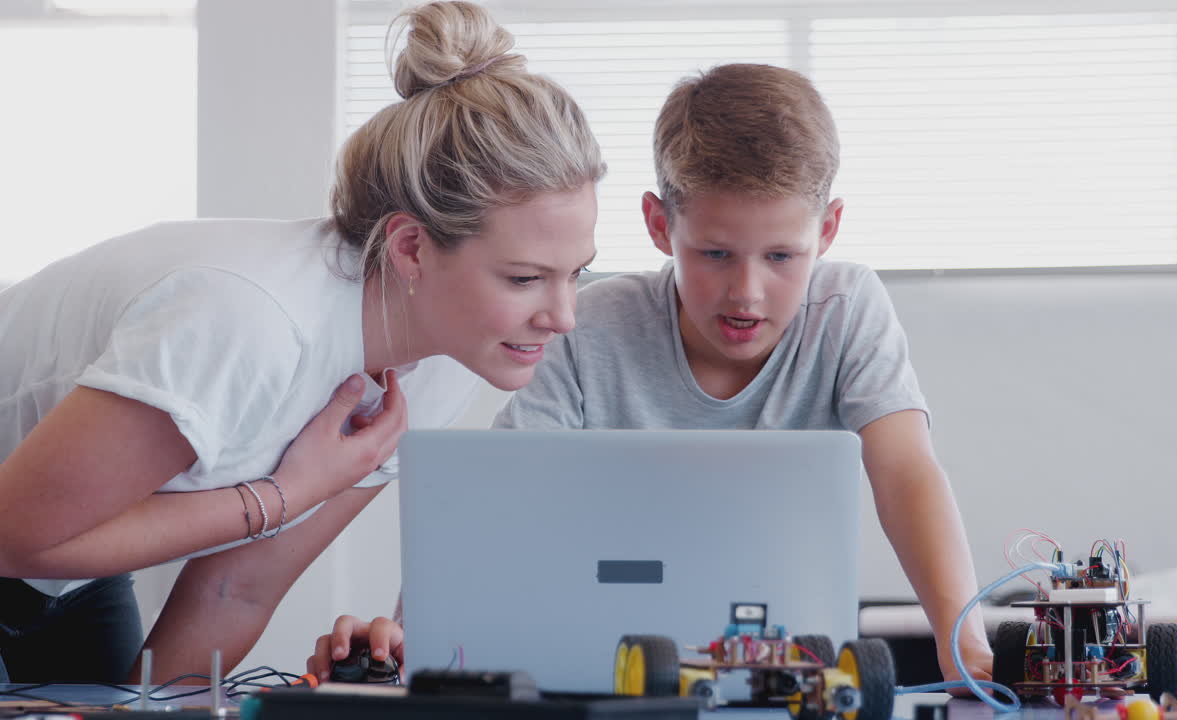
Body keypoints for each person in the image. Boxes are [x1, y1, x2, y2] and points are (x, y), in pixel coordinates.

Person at [310, 63, 992, 688]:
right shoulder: (585, 326)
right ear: (659, 225)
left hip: (781, 680)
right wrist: (413, 636)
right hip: (598, 673)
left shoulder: (848, 308)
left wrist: (961, 637)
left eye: (783, 255)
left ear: (830, 230)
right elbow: (498, 503)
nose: (747, 291)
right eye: (715, 253)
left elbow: (906, 472)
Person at [0, 0, 604, 685]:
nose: (563, 316)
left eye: (574, 273)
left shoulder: (449, 356)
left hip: (68, 575)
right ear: (412, 247)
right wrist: (284, 495)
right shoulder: (246, 321)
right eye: (526, 278)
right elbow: (16, 536)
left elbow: (236, 591)